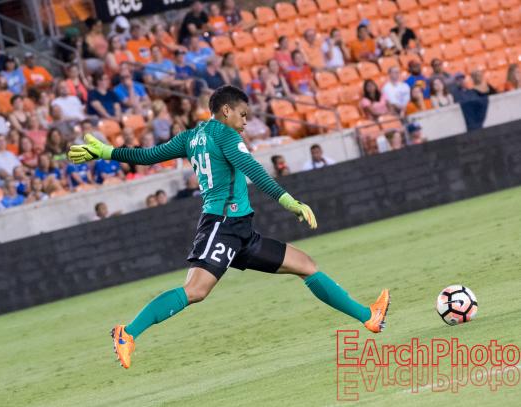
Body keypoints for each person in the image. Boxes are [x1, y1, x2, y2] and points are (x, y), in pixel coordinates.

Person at [68, 85, 391, 369]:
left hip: (241, 232)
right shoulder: (225, 134)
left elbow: (148, 155)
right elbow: (252, 168)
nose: (246, 121)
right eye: (243, 114)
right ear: (226, 111)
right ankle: (128, 333)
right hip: (221, 225)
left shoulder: (191, 137)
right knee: (195, 291)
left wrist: (106, 151)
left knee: (305, 265)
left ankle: (368, 317)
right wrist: (289, 200)